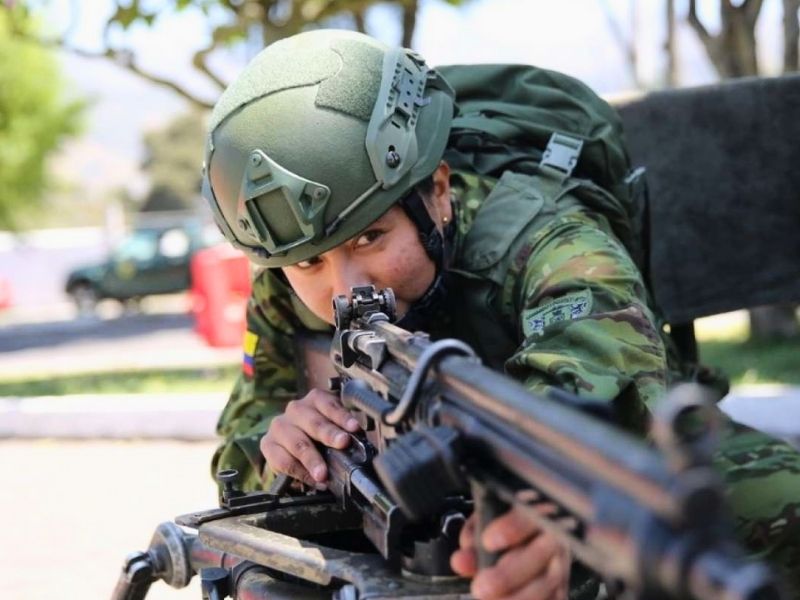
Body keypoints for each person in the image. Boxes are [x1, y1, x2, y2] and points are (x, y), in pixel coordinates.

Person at [202, 30, 799, 600]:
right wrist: (285, 456)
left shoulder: (554, 246)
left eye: (371, 238)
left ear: (437, 191)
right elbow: (240, 444)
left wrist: (550, 532)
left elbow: (610, 411)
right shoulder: (285, 280)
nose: (345, 287)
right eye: (310, 264)